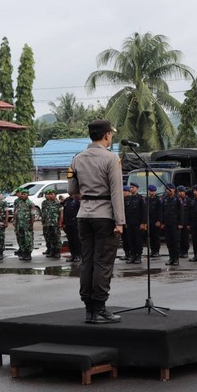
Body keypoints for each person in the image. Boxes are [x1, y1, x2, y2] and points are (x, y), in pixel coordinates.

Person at [68, 119, 125, 323]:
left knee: (87, 262)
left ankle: (89, 309)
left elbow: (71, 190)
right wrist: (120, 222)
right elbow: (117, 192)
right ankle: (99, 307)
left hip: (84, 215)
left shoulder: (77, 158)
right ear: (107, 135)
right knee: (103, 263)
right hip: (105, 215)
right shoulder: (111, 158)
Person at [158, 183, 183, 266]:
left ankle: (176, 259)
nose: (168, 191)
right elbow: (161, 211)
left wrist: (180, 223)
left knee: (175, 242)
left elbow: (181, 212)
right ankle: (171, 258)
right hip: (167, 223)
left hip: (175, 224)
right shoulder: (164, 199)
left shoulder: (178, 199)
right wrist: (162, 222)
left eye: (170, 189)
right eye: (167, 189)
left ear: (173, 190)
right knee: (169, 242)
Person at [124, 182, 145, 264]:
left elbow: (144, 212)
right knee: (130, 240)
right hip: (129, 223)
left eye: (133, 187)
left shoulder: (141, 199)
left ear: (137, 188)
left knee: (138, 240)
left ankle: (138, 256)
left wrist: (144, 223)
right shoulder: (128, 199)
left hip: (138, 223)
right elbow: (126, 211)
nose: (131, 189)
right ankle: (132, 256)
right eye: (130, 187)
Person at [13, 188, 35, 261]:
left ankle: (28, 254)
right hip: (20, 225)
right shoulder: (19, 203)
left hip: (27, 225)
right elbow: (16, 213)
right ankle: (23, 253)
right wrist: (15, 221)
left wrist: (31, 225)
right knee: (21, 239)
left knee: (28, 240)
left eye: (24, 194)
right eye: (22, 194)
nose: (22, 195)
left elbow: (33, 215)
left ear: (27, 195)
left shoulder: (31, 204)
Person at [41, 189, 63, 259]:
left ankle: (57, 252)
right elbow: (43, 213)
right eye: (49, 194)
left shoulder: (58, 204)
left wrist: (60, 223)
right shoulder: (46, 203)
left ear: (55, 195)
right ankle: (52, 251)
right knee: (50, 238)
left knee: (57, 238)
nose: (50, 195)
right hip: (48, 223)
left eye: (52, 194)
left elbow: (61, 214)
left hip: (55, 224)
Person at [62, 194, 81, 262]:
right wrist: (63, 222)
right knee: (70, 240)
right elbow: (64, 211)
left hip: (75, 223)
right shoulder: (67, 200)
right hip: (68, 223)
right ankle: (73, 255)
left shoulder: (78, 200)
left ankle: (78, 255)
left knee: (76, 240)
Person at [146, 184, 161, 257]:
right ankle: (152, 250)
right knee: (150, 237)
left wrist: (159, 220)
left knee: (156, 237)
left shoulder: (158, 199)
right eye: (150, 191)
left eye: (152, 191)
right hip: (149, 220)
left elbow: (160, 211)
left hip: (155, 220)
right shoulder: (147, 199)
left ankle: (156, 251)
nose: (151, 192)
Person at [177, 185, 191, 258]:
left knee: (185, 238)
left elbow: (190, 212)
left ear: (184, 192)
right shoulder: (176, 199)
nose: (180, 193)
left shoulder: (188, 200)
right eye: (179, 191)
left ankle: (185, 251)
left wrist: (189, 223)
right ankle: (179, 251)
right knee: (178, 238)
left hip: (186, 222)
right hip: (178, 222)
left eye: (181, 191)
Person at [119, 185, 131, 261]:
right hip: (123, 222)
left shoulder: (130, 200)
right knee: (124, 240)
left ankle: (130, 254)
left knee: (129, 239)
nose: (123, 192)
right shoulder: (121, 200)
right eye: (123, 191)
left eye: (125, 191)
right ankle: (126, 253)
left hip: (129, 223)